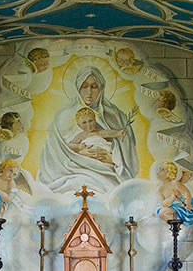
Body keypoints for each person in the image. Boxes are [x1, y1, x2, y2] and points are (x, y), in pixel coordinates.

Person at [38, 66, 138, 194]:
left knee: (111, 191)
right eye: (84, 86)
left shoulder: (117, 116)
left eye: (94, 86)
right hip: (71, 171)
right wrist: (82, 153)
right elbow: (54, 154)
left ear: (101, 88)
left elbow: (127, 154)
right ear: (77, 88)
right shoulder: (61, 116)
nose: (89, 92)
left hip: (107, 170)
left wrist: (111, 158)